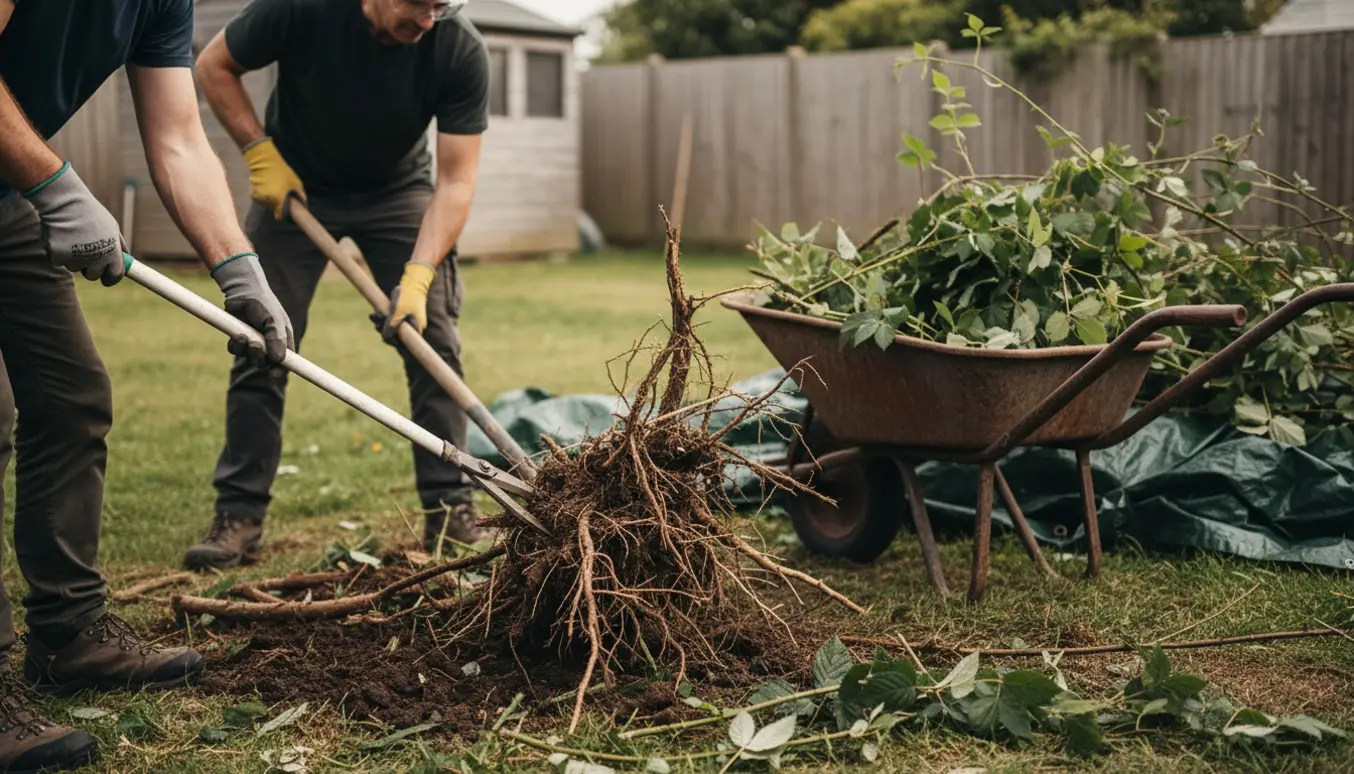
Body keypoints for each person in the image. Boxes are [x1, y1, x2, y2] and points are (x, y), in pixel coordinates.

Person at [0, 0, 296, 768]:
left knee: (70, 401)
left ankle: (69, 635)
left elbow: (177, 136)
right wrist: (57, 183)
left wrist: (239, 267)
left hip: (3, 198)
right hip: (23, 182)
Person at [183, 0, 490, 571]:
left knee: (434, 340)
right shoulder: (302, 8)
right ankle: (239, 516)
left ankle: (451, 513)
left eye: (440, 8)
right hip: (297, 185)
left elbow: (456, 180)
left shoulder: (457, 47)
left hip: (399, 192)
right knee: (261, 339)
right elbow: (213, 66)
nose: (427, 22)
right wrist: (257, 150)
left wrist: (419, 276)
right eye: (416, 5)